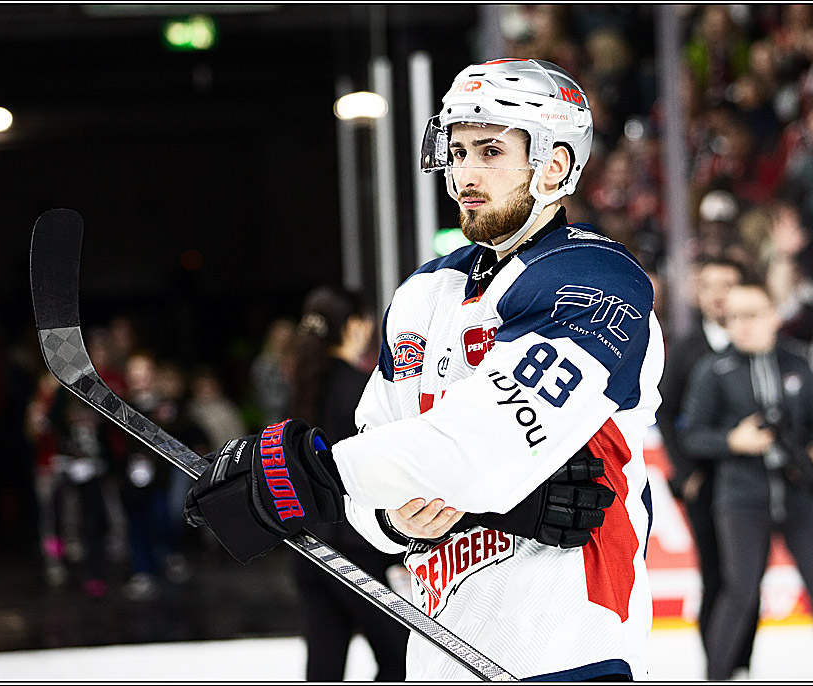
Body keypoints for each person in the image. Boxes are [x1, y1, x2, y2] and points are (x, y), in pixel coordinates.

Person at [183, 58, 663, 681]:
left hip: (569, 644)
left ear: (553, 164)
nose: (465, 171)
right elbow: (378, 476)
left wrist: (320, 474)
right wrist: (393, 515)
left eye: (491, 150)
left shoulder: (600, 281)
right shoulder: (424, 294)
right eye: (457, 150)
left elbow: (487, 442)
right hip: (442, 649)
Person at [681, 282, 813, 681]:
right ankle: (716, 674)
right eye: (733, 317)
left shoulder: (796, 363)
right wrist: (733, 441)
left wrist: (808, 452)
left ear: (773, 315)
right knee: (738, 590)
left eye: (751, 314)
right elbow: (693, 434)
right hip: (740, 497)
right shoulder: (715, 369)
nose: (742, 325)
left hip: (798, 497)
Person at [289, 285, 409, 681]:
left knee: (323, 670)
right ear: (355, 327)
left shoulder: (299, 393)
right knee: (398, 660)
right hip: (357, 551)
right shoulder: (363, 392)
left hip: (307, 546)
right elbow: (381, 471)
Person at [655, 256, 759, 677]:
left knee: (748, 580)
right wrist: (686, 474)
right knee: (716, 577)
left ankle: (743, 665)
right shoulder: (687, 347)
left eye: (727, 284)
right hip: (705, 482)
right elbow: (663, 410)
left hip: (748, 480)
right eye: (710, 284)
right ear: (699, 293)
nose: (718, 293)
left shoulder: (752, 342)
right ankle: (717, 666)